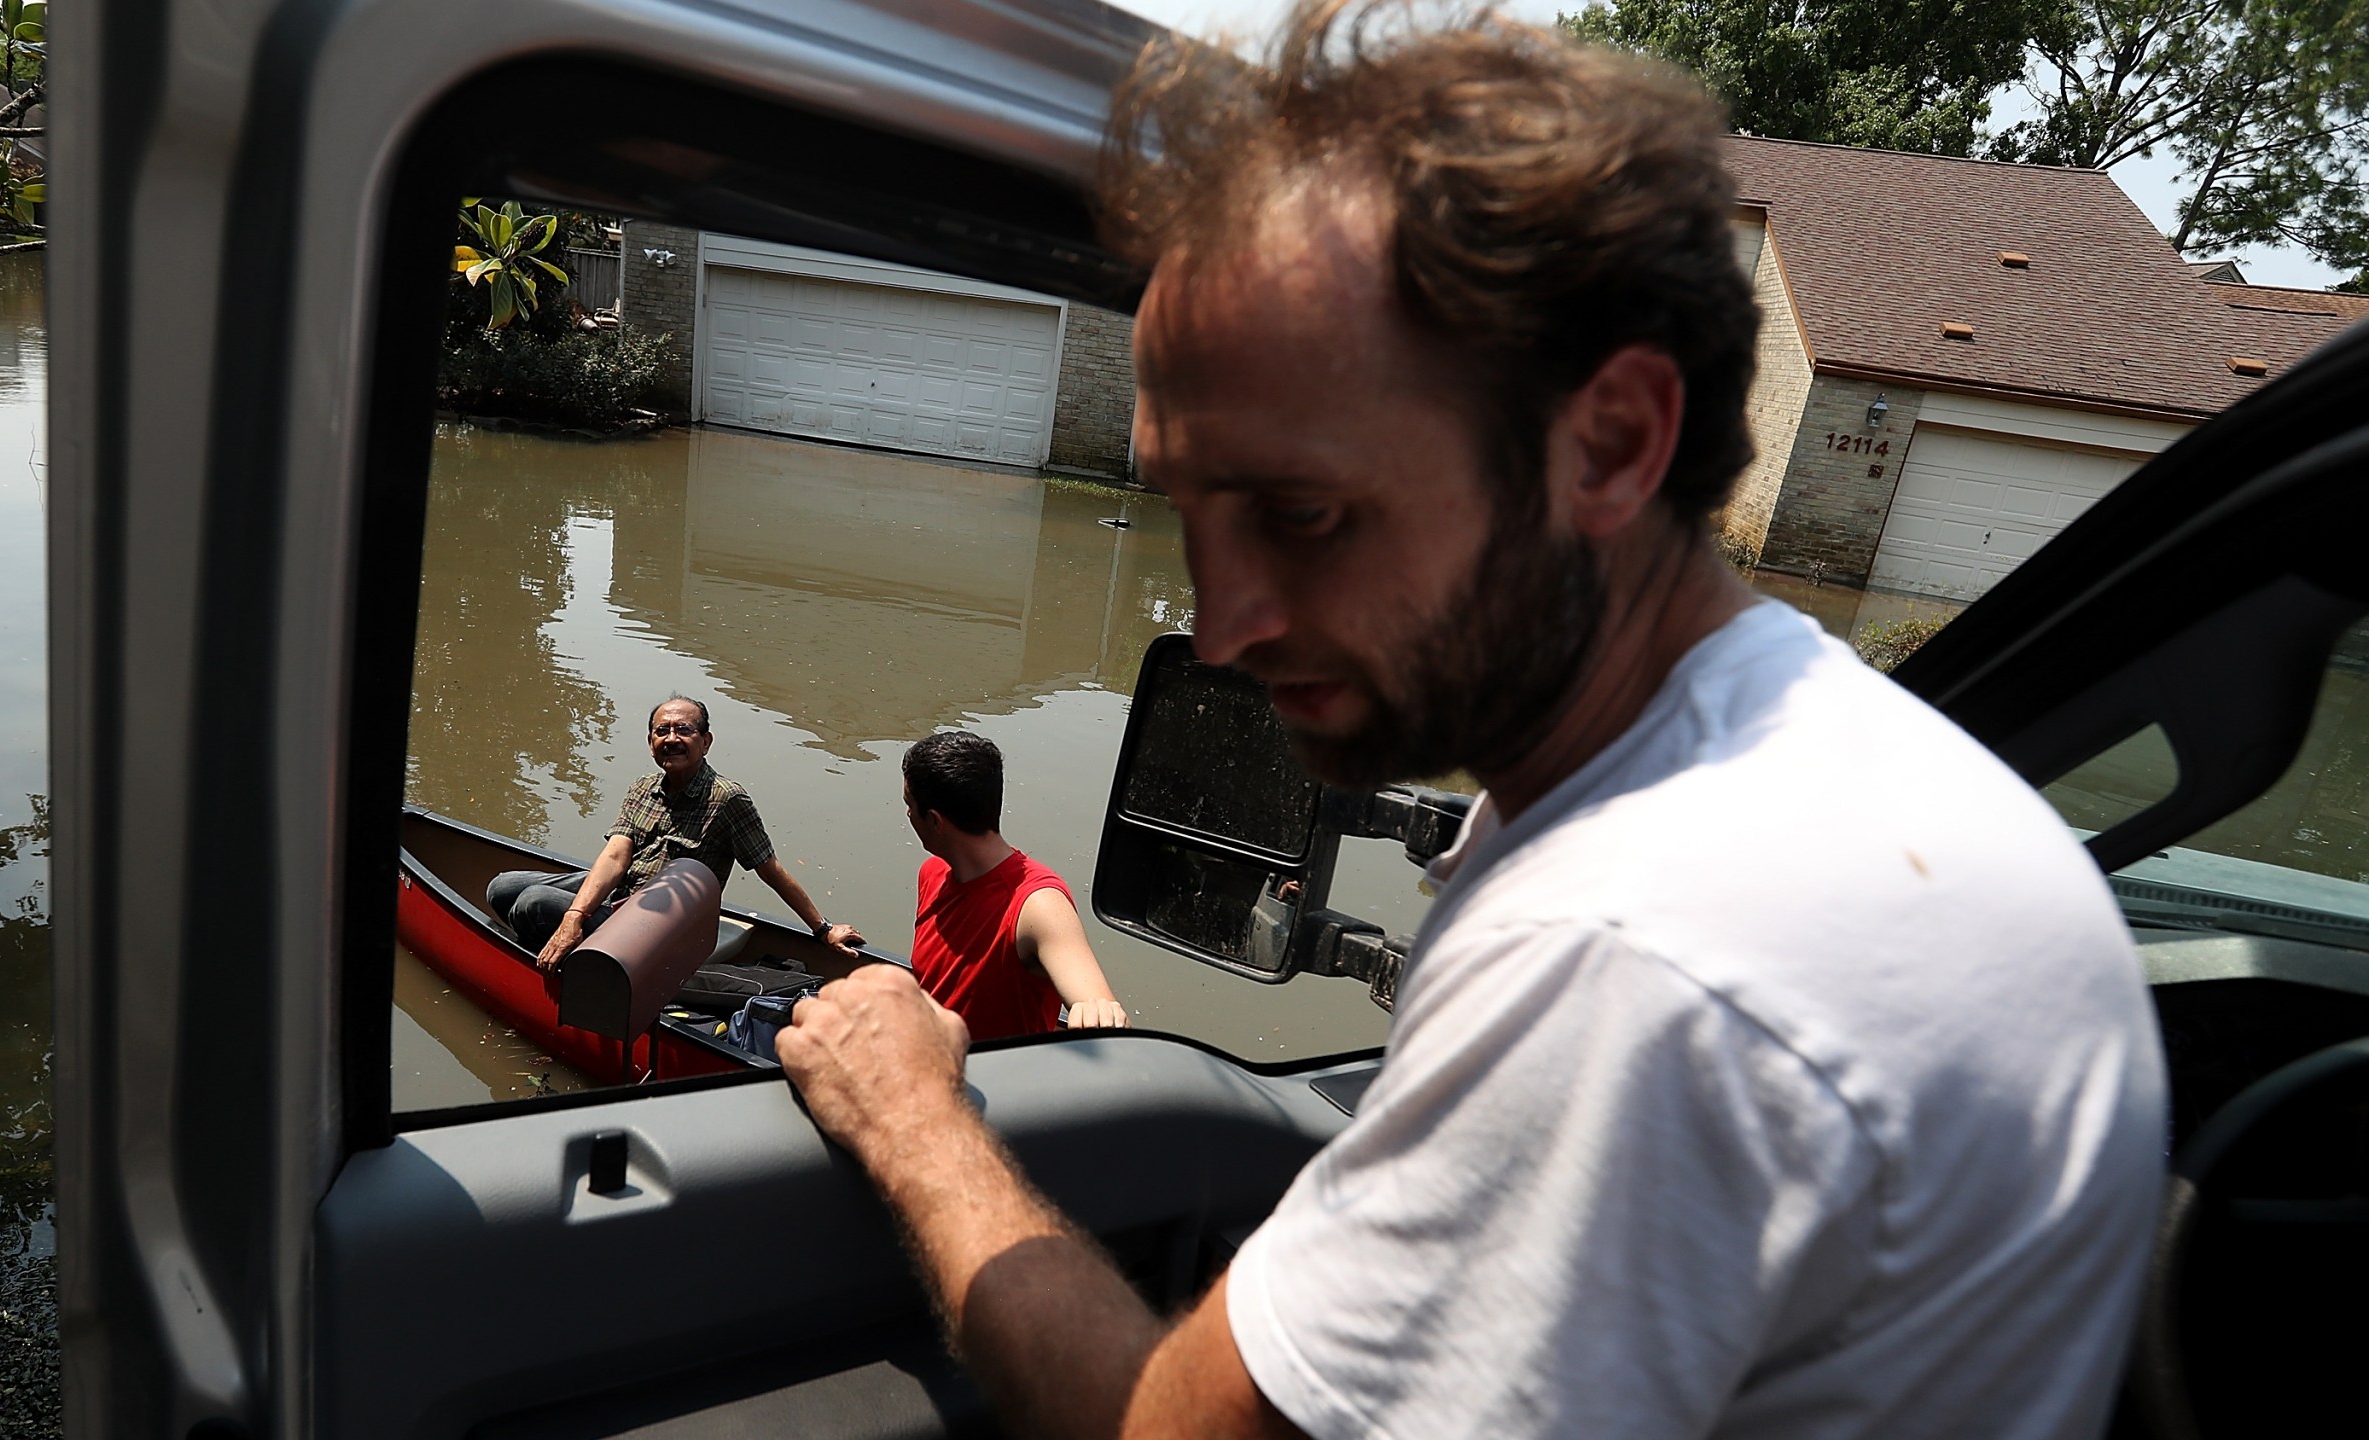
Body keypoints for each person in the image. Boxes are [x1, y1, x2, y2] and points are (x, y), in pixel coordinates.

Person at [775, 7, 2166, 1440]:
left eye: (1304, 513)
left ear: (1611, 443)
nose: (1228, 623)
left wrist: (912, 1120)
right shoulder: (1806, 760)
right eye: (1193, 514)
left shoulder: (1642, 958)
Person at [488, 695, 862, 969]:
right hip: (623, 893)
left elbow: (770, 869)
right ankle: (567, 945)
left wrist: (822, 930)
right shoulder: (643, 788)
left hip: (661, 926)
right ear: (650, 742)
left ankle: (569, 969)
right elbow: (616, 857)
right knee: (501, 887)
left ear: (706, 741)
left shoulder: (727, 799)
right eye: (661, 730)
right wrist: (575, 915)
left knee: (532, 905)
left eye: (684, 730)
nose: (671, 738)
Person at [900, 730, 1129, 1038]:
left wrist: (1098, 1010)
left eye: (910, 805)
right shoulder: (932, 873)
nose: (907, 814)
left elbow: (1092, 998)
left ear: (935, 821)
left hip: (999, 1079)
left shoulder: (1037, 904)